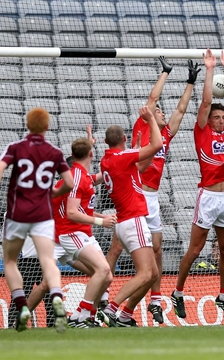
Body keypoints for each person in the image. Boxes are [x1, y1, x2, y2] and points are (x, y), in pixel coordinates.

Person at [104, 57, 201, 324]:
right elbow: (151, 99)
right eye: (157, 110)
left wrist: (190, 83)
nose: (160, 112)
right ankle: (103, 297)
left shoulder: (165, 134)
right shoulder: (143, 126)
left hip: (152, 198)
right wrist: (165, 73)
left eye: (160, 111)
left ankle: (153, 301)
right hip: (135, 195)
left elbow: (180, 111)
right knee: (115, 249)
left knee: (156, 250)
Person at [0, 107, 74, 333]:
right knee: (48, 261)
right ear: (47, 127)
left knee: (10, 262)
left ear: (27, 125)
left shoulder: (15, 147)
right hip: (42, 214)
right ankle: (57, 296)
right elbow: (70, 183)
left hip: (18, 212)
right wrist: (51, 193)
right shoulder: (54, 152)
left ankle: (21, 306)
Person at [172, 49, 224, 320]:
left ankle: (223, 296)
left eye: (223, 118)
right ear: (208, 120)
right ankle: (177, 291)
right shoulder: (202, 132)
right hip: (209, 197)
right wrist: (210, 69)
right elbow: (206, 101)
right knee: (196, 249)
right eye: (217, 117)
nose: (221, 120)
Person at [98, 106, 163, 327]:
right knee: (145, 273)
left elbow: (139, 167)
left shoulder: (107, 160)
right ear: (124, 138)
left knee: (153, 273)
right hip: (133, 219)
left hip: (124, 221)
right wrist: (151, 120)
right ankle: (110, 308)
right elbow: (157, 144)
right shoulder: (121, 157)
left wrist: (135, 150)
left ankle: (125, 314)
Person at [52, 135, 117, 328]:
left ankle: (83, 314)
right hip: (70, 233)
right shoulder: (75, 177)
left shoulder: (82, 175)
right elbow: (72, 213)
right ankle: (83, 315)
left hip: (82, 233)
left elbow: (99, 178)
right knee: (103, 270)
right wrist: (100, 221)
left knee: (107, 276)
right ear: (90, 154)